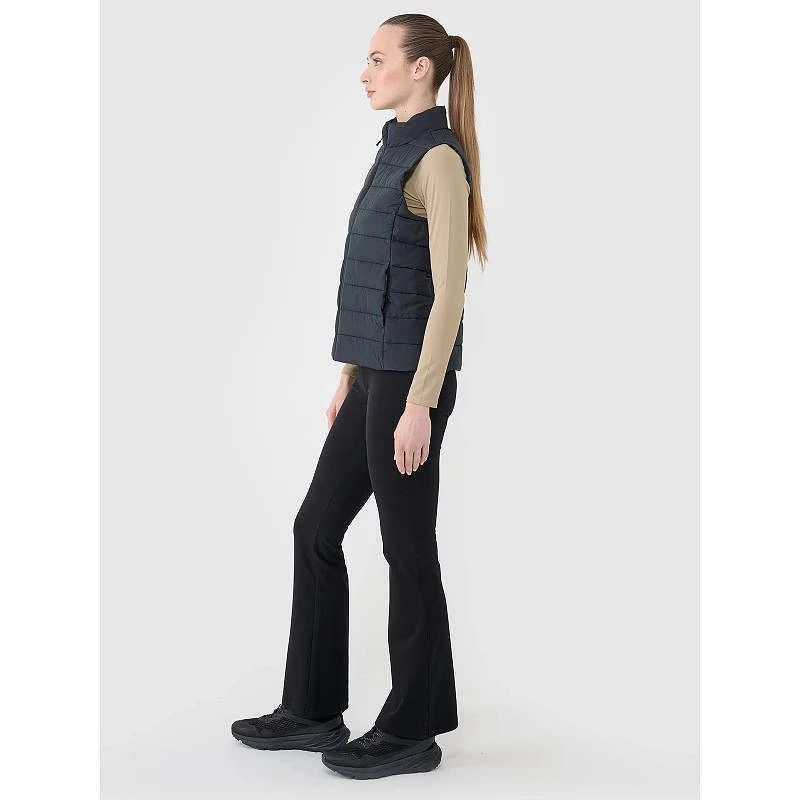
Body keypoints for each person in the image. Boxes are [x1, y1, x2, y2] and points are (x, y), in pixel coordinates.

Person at [231, 12, 488, 780]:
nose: (365, 73)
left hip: (411, 384)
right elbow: (372, 276)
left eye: (378, 59)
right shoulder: (391, 151)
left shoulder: (438, 159)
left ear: (420, 69)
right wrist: (348, 377)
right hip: (373, 377)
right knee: (315, 527)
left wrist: (420, 403)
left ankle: (413, 728)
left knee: (406, 549)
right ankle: (312, 710)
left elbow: (449, 294)